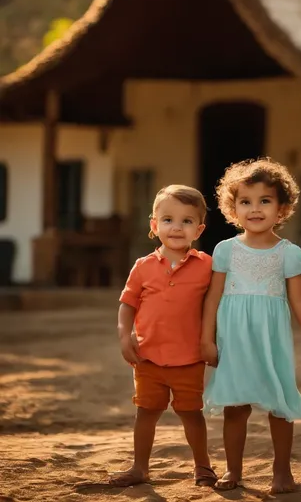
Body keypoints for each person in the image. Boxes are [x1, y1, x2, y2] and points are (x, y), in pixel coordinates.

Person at [201, 158, 301, 494]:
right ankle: (233, 470)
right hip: (234, 339)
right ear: (233, 209)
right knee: (236, 407)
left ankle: (282, 472)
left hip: (272, 340)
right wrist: (206, 339)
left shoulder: (289, 253)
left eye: (264, 201)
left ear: (281, 210)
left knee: (280, 406)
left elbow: (300, 299)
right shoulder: (225, 250)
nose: (255, 209)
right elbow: (212, 298)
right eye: (245, 202)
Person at [109, 185, 217, 488]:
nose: (177, 227)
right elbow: (127, 304)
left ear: (199, 229)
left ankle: (203, 467)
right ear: (154, 226)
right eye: (168, 219)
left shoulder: (207, 266)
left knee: (191, 413)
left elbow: (220, 303)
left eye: (186, 221)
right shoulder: (142, 267)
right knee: (146, 412)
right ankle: (139, 467)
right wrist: (123, 334)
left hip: (189, 358)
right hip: (147, 356)